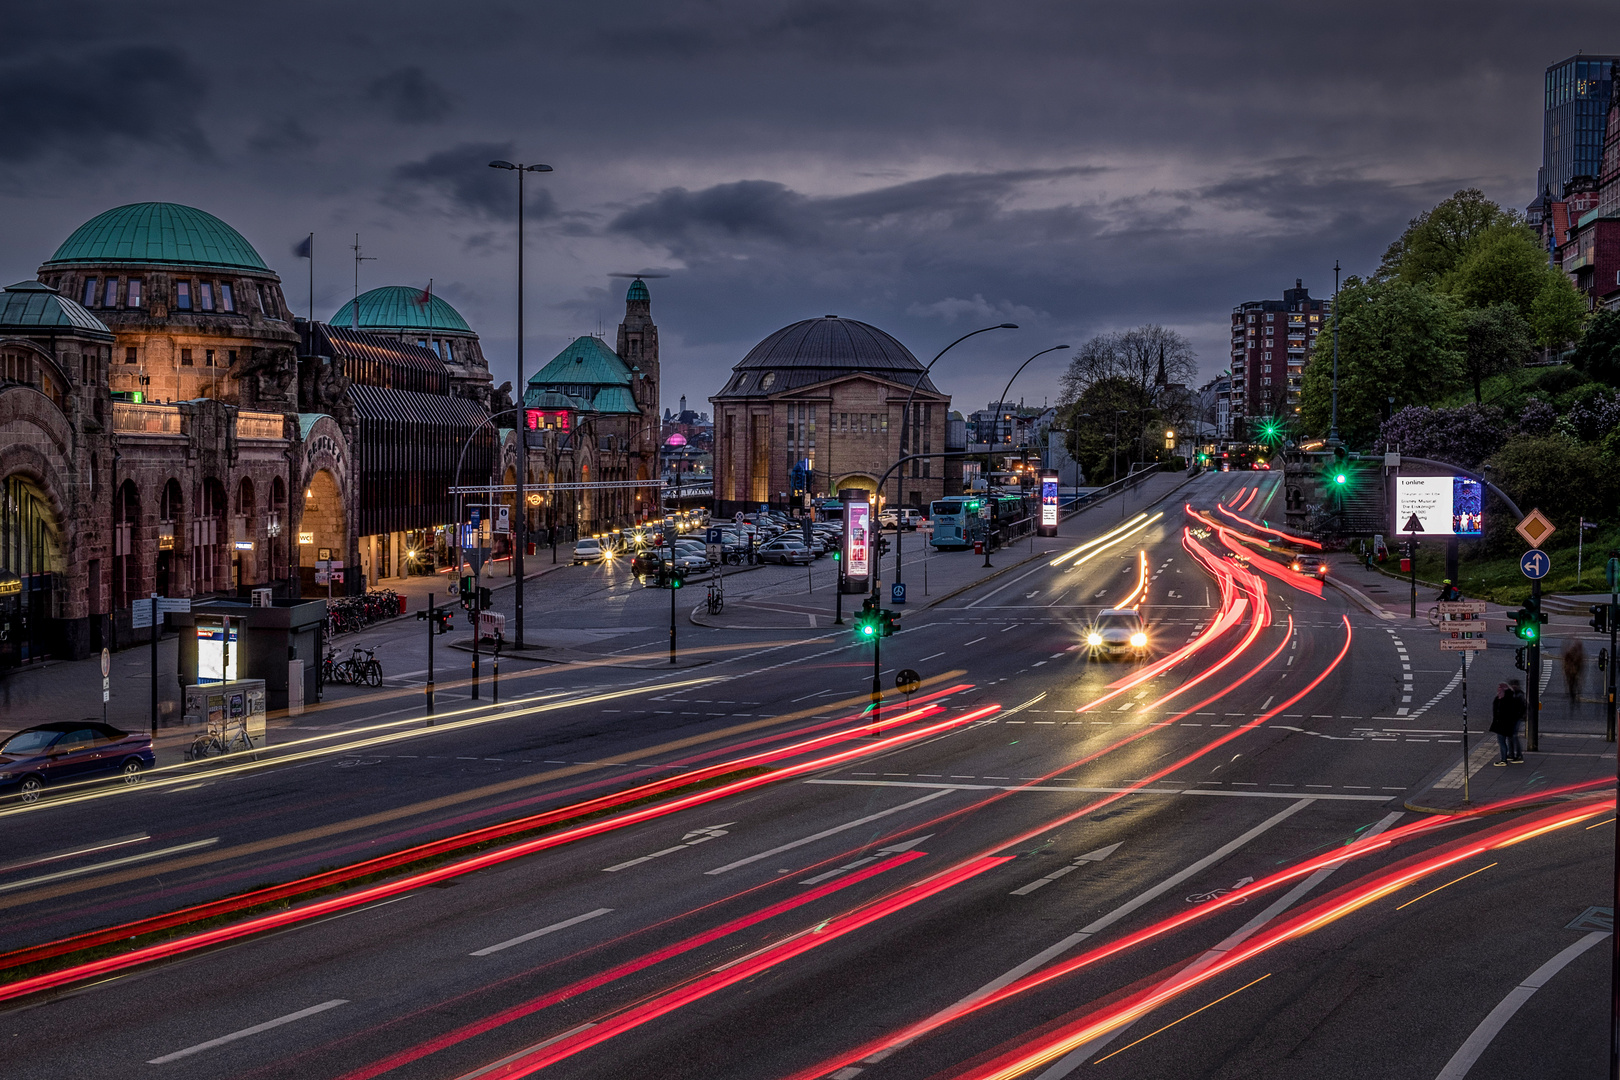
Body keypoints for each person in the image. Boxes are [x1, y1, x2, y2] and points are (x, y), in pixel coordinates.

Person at [1489, 678, 1527, 765]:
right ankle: (1511, 754)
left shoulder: (1508, 698)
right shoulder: (1511, 696)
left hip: (1507, 722)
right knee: (1510, 737)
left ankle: (1508, 758)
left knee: (1511, 737)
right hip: (1509, 721)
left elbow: (1502, 712)